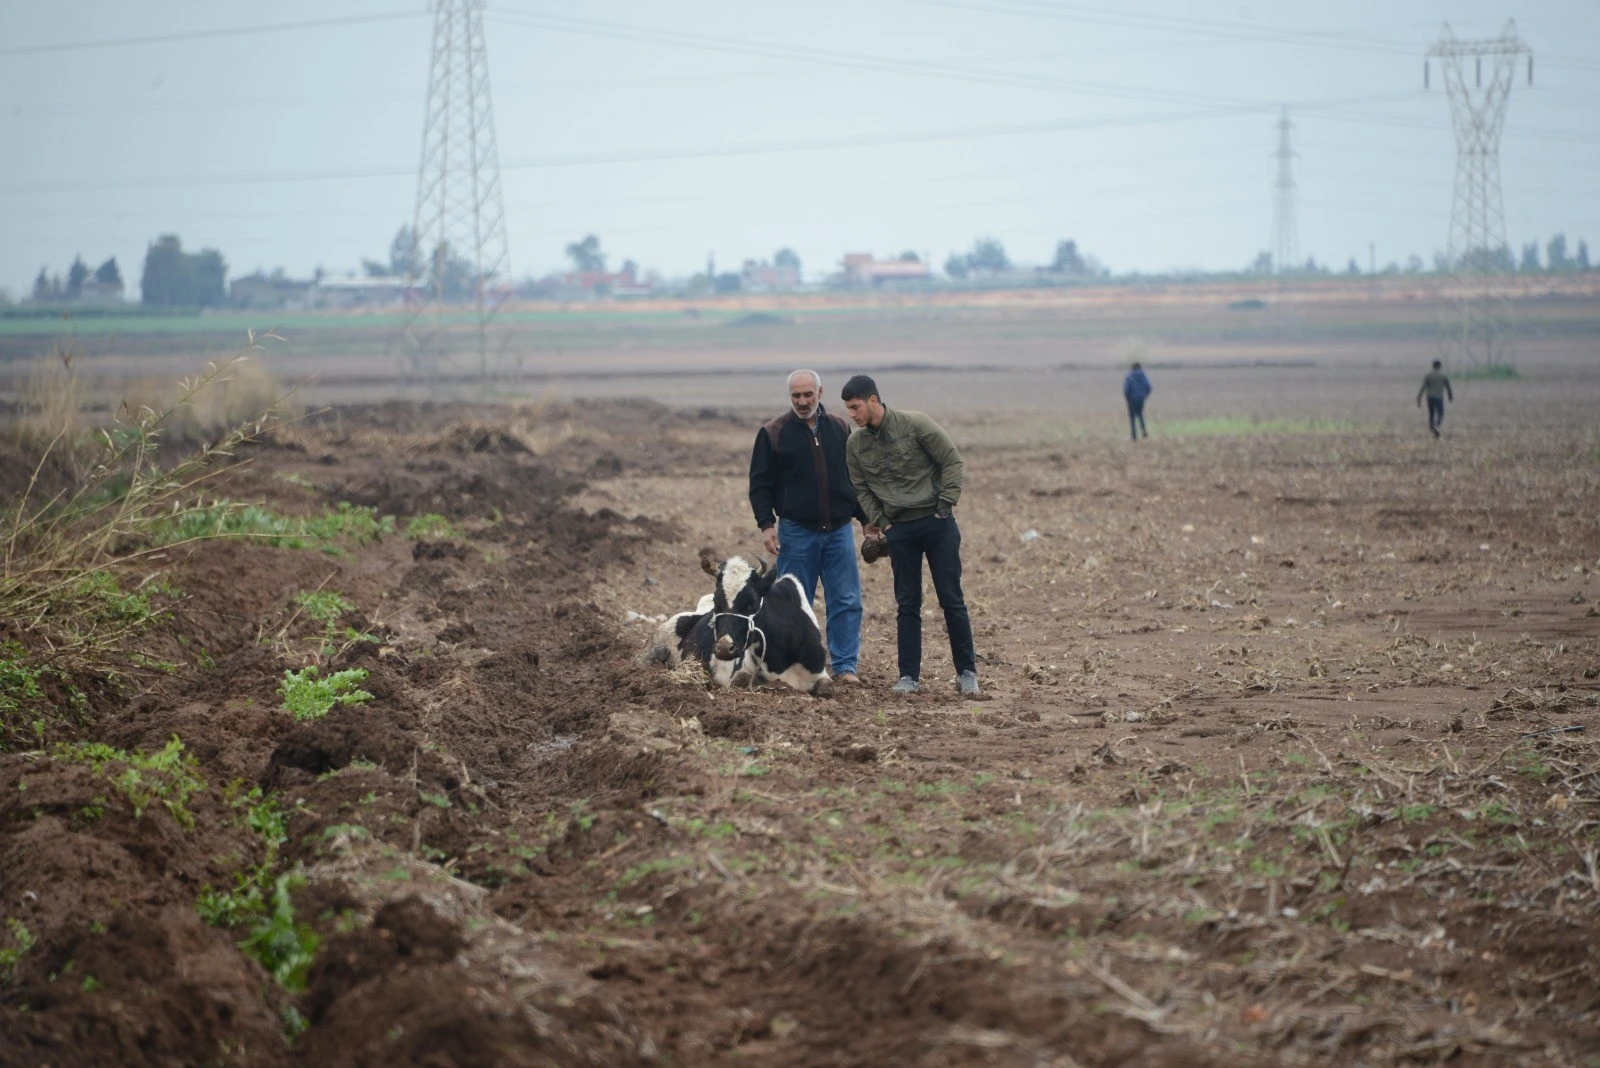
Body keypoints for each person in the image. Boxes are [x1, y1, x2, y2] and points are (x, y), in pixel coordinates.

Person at [839, 374, 977, 697]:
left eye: (856, 407)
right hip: (899, 531)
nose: (852, 415)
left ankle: (968, 673)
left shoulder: (916, 425)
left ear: (873, 400)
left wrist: (944, 506)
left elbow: (951, 461)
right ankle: (908, 677)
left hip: (936, 523)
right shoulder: (855, 445)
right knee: (907, 604)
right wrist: (883, 522)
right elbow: (860, 488)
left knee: (951, 599)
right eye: (848, 409)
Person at [748, 369, 864, 683]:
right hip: (796, 533)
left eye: (807, 395)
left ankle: (845, 668)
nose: (802, 401)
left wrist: (867, 521)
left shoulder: (841, 428)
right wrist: (766, 525)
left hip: (839, 531)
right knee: (793, 604)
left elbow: (853, 480)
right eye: (796, 396)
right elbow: (760, 484)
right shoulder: (773, 433)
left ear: (820, 393)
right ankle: (796, 668)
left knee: (846, 600)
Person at [1417, 359, 1454, 437]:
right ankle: (1437, 426)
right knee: (1440, 413)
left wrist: (1419, 398)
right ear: (1440, 366)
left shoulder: (1428, 375)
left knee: (1431, 413)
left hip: (1429, 397)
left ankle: (1431, 427)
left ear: (1433, 366)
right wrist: (1450, 396)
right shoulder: (1443, 376)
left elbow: (1423, 387)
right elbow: (1448, 388)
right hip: (1438, 397)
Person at [1123, 361, 1152, 441]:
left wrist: (1128, 398)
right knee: (1140, 414)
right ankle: (1144, 431)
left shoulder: (1129, 377)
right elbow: (1149, 387)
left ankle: (1134, 436)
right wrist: (1144, 396)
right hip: (1141, 399)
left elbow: (1126, 390)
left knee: (1132, 417)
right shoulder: (1144, 376)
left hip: (1132, 399)